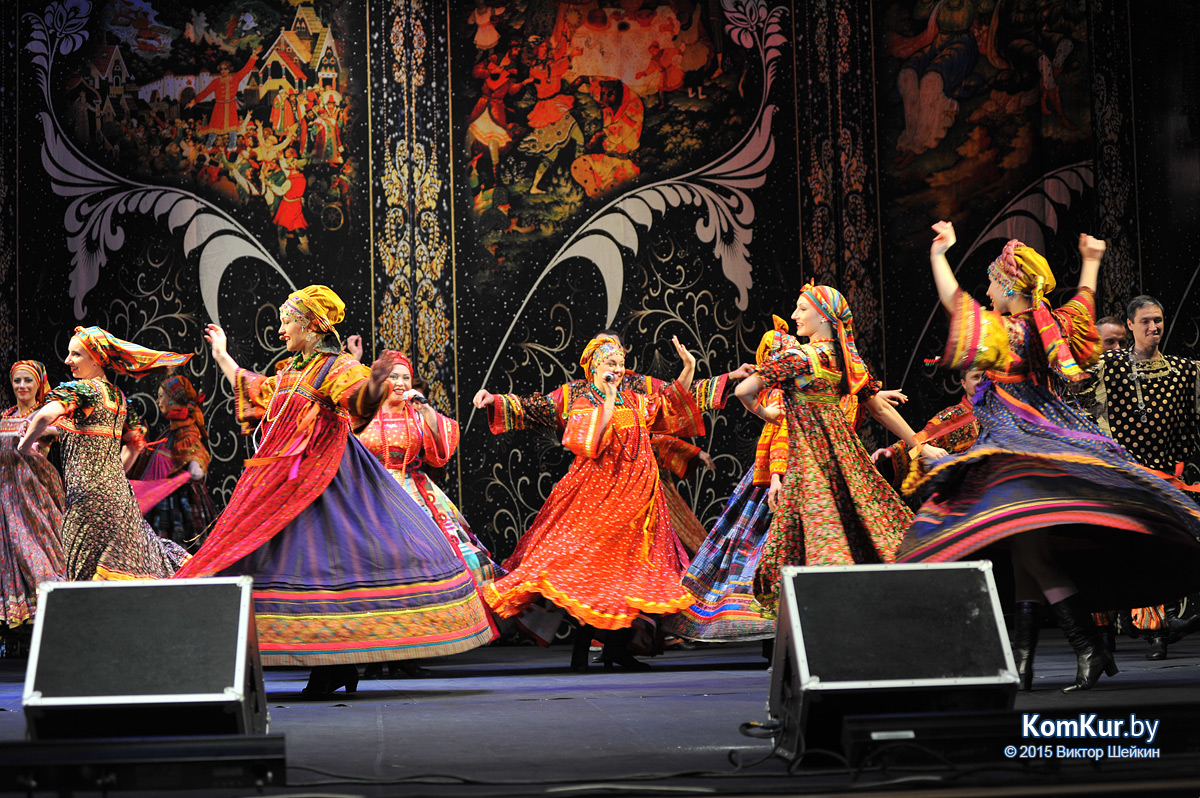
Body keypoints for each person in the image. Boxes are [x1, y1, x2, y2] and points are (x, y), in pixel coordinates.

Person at [896, 224, 1200, 693]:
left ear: (1009, 287)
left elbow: (955, 301)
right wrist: (1091, 261)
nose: (988, 292)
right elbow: (1082, 303)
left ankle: (1087, 646)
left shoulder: (1006, 329)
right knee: (1025, 552)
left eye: (993, 283)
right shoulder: (1048, 322)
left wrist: (939, 254)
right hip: (1039, 440)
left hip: (1019, 447)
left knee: (1033, 554)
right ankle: (1025, 664)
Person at [173, 286, 494, 697]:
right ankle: (317, 661)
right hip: (285, 481)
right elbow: (255, 389)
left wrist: (376, 383)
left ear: (311, 325)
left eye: (288, 321)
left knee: (327, 563)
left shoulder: (336, 366)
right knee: (279, 559)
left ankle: (335, 663)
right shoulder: (290, 370)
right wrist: (221, 354)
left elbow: (358, 399)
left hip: (328, 479)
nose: (281, 329)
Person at [482, 333, 703, 671]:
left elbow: (669, 402)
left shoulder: (635, 400)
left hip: (639, 501)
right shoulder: (585, 403)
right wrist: (609, 400)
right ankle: (581, 651)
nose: (619, 368)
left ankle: (616, 650)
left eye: (621, 363)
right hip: (599, 498)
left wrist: (688, 368)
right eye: (611, 363)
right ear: (596, 367)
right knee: (592, 571)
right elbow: (588, 442)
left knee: (628, 575)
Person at [734, 285, 944, 616]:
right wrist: (920, 445)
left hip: (811, 466)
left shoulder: (798, 358)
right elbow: (879, 408)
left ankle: (830, 619)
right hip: (848, 463)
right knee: (871, 526)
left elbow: (743, 390)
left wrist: (765, 413)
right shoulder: (847, 360)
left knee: (820, 541)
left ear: (824, 317)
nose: (794, 315)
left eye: (802, 309)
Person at [351, 343, 502, 679]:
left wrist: (426, 408)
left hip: (413, 495)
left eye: (406, 377)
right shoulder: (363, 415)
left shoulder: (416, 414)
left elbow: (442, 450)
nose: (401, 383)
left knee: (417, 575)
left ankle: (409, 651)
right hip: (371, 498)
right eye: (393, 376)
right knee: (378, 578)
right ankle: (375, 654)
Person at [1074, 295, 1200, 660]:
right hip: (1117, 477)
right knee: (1103, 552)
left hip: (1162, 477)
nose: (1153, 326)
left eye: (1158, 319)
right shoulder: (1110, 366)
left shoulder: (1183, 370)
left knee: (1155, 549)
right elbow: (1076, 389)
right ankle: (1102, 636)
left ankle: (1157, 630)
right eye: (1145, 320)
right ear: (1131, 325)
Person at [661, 317, 798, 644]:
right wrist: (776, 475)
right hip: (777, 474)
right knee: (759, 548)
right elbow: (778, 433)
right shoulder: (779, 394)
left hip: (787, 471)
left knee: (763, 548)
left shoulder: (793, 390)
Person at [17, 329, 191, 581]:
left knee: (84, 574)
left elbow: (45, 414)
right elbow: (132, 444)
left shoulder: (82, 390)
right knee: (125, 566)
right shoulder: (118, 398)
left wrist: (24, 446)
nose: (67, 360)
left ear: (96, 359)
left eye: (76, 354)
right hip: (118, 498)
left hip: (86, 502)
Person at [0, 361, 66, 636]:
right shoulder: (5, 415)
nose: (22, 386)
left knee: (37, 554)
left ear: (39, 383)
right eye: (17, 381)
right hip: (6, 497)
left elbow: (62, 431)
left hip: (35, 498)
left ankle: (59, 609)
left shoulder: (44, 415)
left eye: (28, 380)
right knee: (11, 556)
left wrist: (40, 431)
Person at [128, 374, 217, 551]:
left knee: (174, 543)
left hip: (177, 499)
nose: (158, 401)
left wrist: (195, 464)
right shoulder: (171, 430)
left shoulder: (186, 430)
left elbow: (195, 451)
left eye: (161, 396)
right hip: (161, 496)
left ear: (172, 399)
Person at [873, 367, 984, 504]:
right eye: (976, 377)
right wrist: (892, 453)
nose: (982, 381)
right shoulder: (953, 417)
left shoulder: (1004, 414)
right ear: (963, 383)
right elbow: (923, 440)